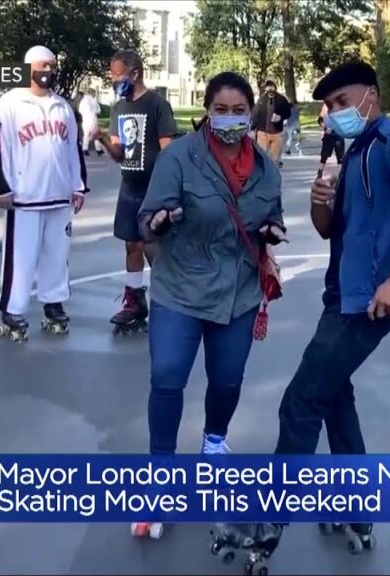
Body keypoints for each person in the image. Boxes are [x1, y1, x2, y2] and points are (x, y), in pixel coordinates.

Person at [214, 60, 390, 559]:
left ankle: (266, 525)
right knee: (333, 398)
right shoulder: (356, 151)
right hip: (341, 298)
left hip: (368, 304)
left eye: (342, 103)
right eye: (328, 107)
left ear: (370, 96)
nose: (333, 113)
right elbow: (330, 231)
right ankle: (356, 506)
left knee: (301, 403)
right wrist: (320, 200)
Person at [132, 71, 286, 539]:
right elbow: (146, 220)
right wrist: (157, 221)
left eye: (240, 111)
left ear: (251, 113)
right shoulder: (179, 157)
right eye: (221, 109)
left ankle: (213, 444)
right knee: (168, 377)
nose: (231, 119)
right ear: (206, 111)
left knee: (228, 380)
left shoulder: (266, 167)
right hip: (180, 287)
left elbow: (272, 216)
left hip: (238, 292)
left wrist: (271, 230)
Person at [0, 45, 88, 341]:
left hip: (58, 195)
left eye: (53, 66)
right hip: (24, 196)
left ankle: (53, 303)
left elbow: (73, 149)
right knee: (20, 256)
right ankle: (13, 308)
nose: (49, 71)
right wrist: (0, 186)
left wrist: (77, 186)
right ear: (29, 67)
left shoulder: (62, 106)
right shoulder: (10, 104)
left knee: (57, 254)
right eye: (44, 66)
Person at [94, 49, 178, 333]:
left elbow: (169, 151)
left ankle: (170, 300)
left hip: (154, 188)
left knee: (155, 247)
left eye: (117, 75)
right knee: (132, 245)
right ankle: (134, 300)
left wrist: (169, 189)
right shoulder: (119, 107)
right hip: (129, 187)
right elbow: (119, 154)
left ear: (134, 73)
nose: (113, 80)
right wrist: (103, 138)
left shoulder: (157, 104)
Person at [251, 81, 291, 167]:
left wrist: (280, 117)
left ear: (275, 90)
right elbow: (255, 115)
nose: (270, 93)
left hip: (277, 133)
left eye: (272, 91)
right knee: (261, 156)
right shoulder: (261, 100)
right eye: (268, 91)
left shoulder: (282, 100)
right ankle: (262, 175)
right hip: (263, 133)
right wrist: (252, 129)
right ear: (265, 90)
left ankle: (272, 175)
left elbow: (288, 113)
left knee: (274, 159)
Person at [315, 102, 345, 179]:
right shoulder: (326, 105)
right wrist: (325, 128)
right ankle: (320, 172)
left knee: (340, 157)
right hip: (329, 134)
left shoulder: (342, 105)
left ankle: (340, 175)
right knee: (324, 156)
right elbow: (320, 120)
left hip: (339, 134)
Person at [77, 88, 103, 156]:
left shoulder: (82, 101)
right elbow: (98, 110)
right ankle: (98, 149)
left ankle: (85, 149)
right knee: (95, 135)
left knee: (86, 135)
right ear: (92, 93)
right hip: (93, 119)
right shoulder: (93, 101)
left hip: (85, 120)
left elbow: (80, 110)